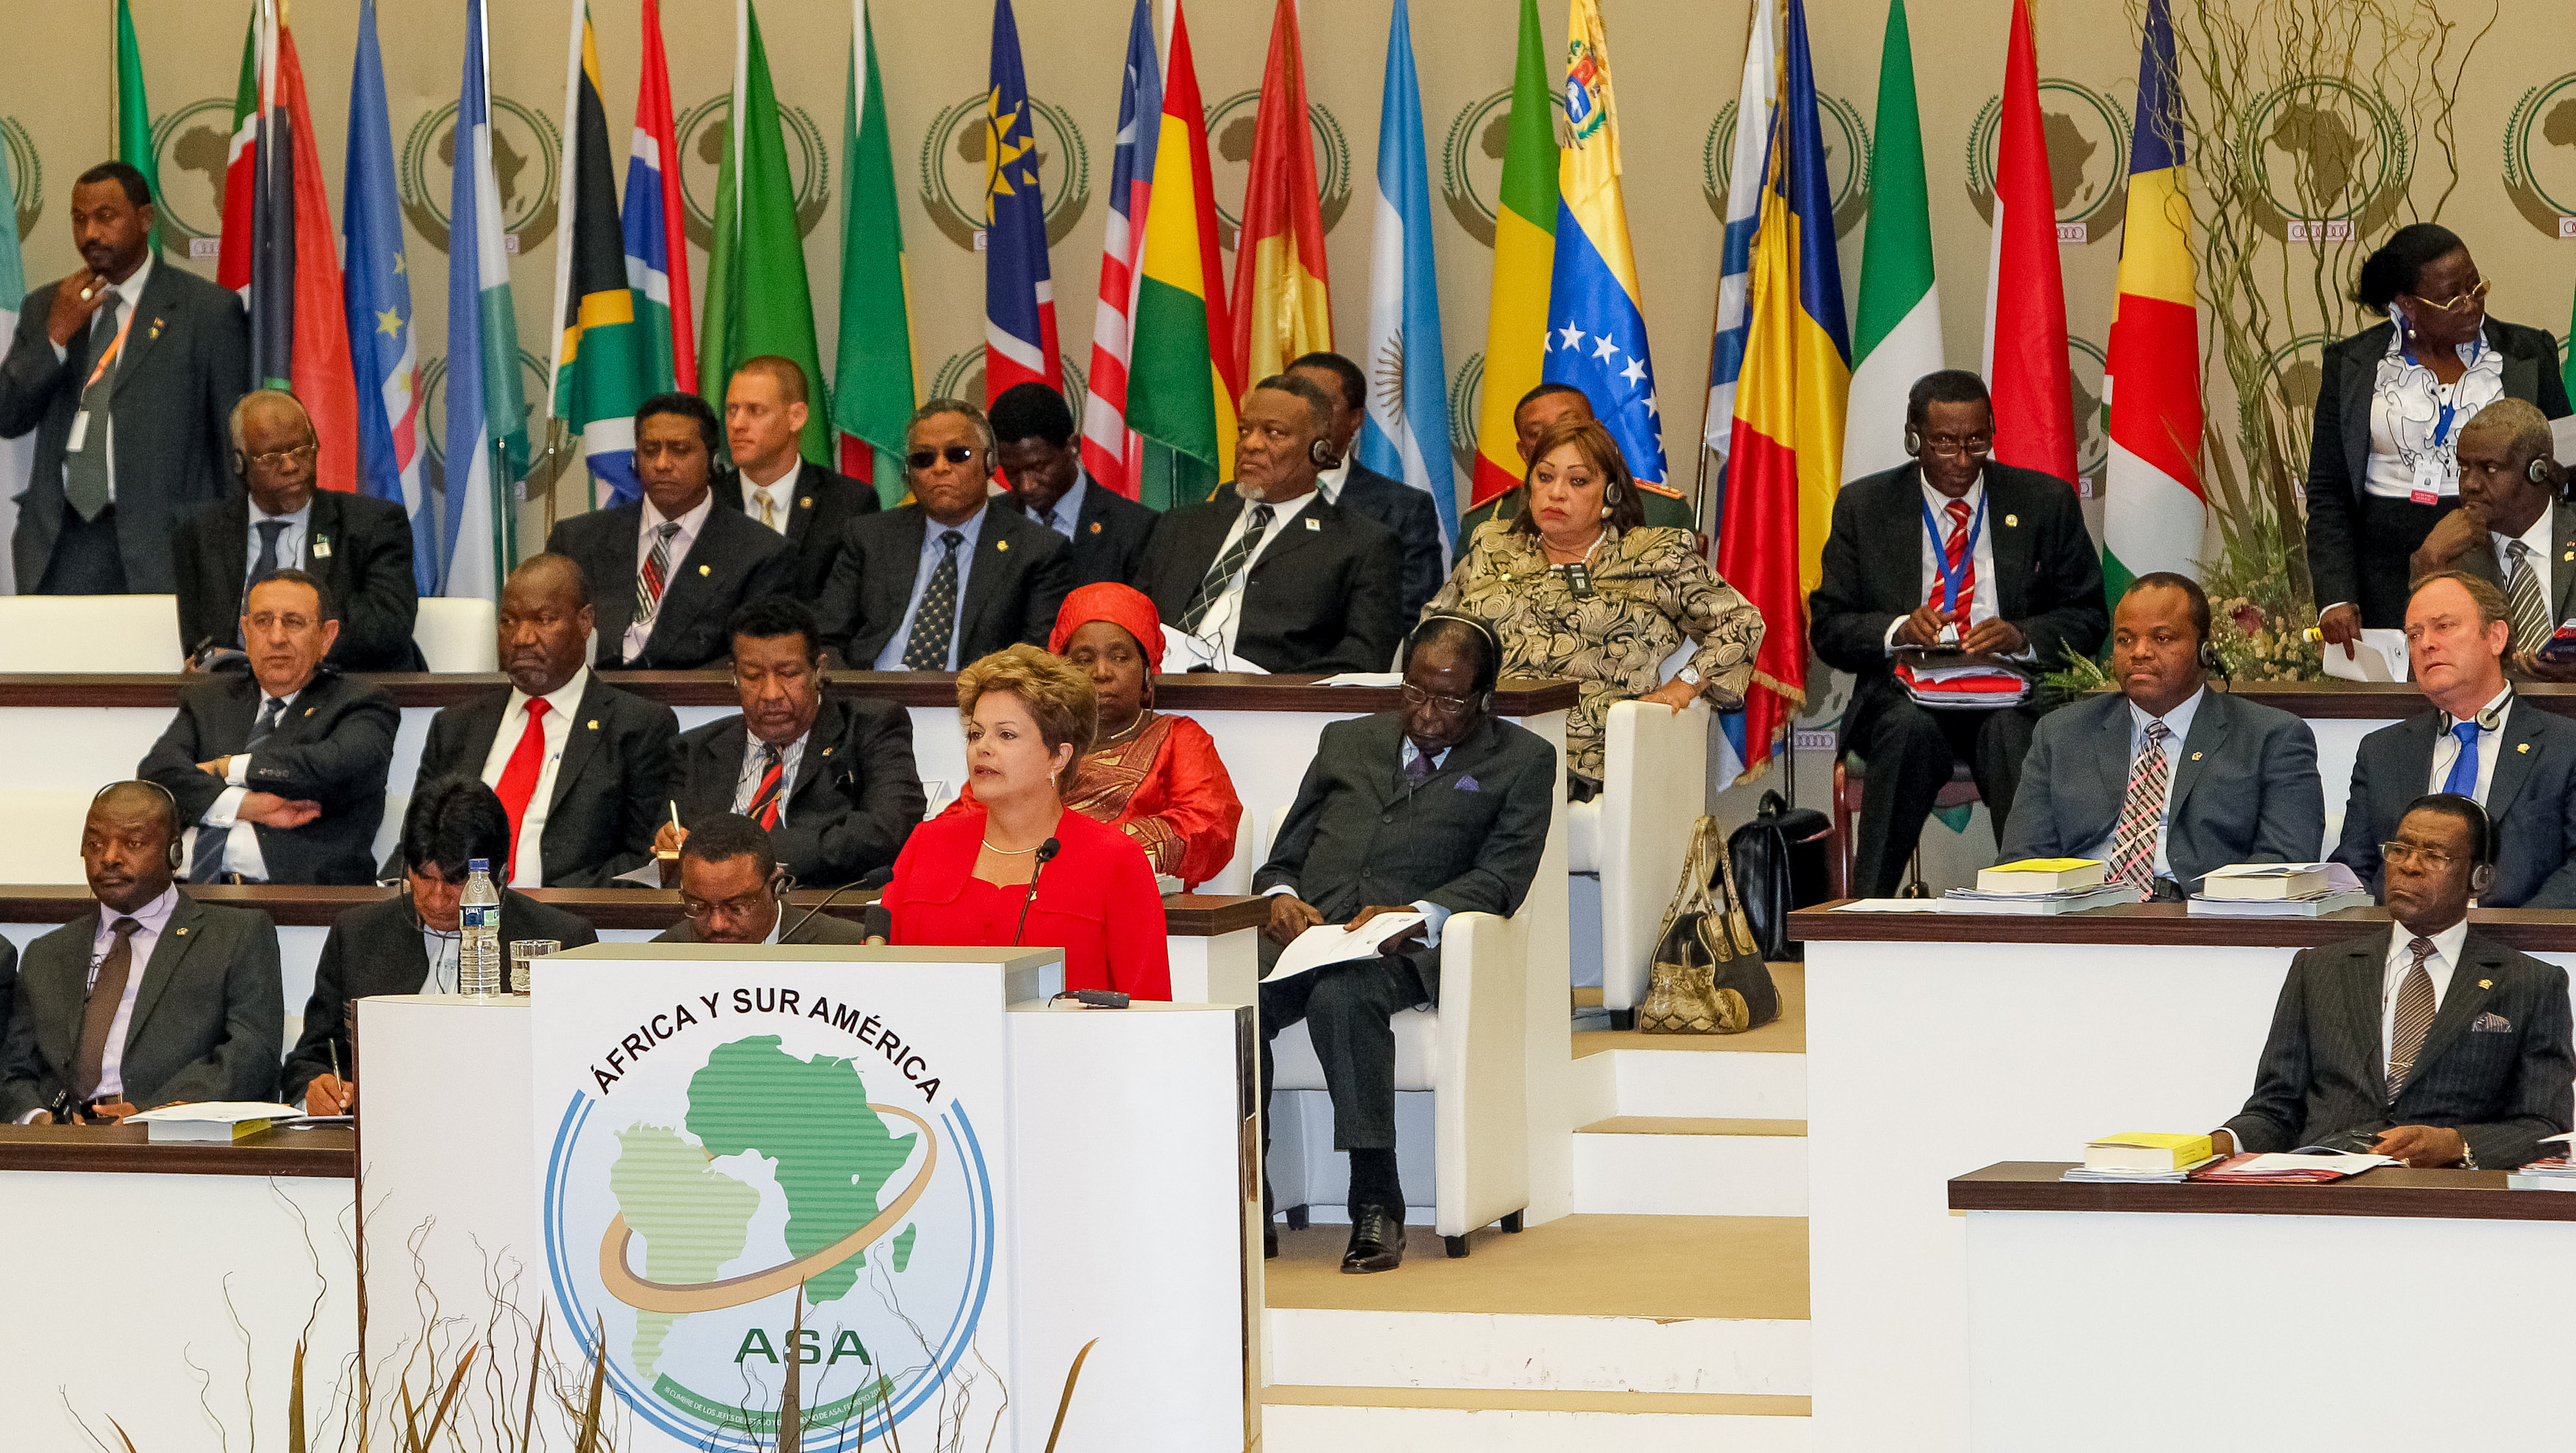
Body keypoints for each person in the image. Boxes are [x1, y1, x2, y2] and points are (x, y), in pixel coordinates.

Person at [1255, 617, 1556, 1272]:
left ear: (1485, 697)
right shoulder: (1346, 741)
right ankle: (1251, 1187)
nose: (1426, 715)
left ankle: (1376, 1198)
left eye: (1449, 700)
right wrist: (1280, 894)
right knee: (1227, 996)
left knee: (1343, 995)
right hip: (1310, 932)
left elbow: (1504, 878)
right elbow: (1285, 856)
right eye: (1414, 693)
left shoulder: (1523, 761)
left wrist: (1419, 915)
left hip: (1413, 950)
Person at [1809, 369, 2108, 898]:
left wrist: (2021, 636)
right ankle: (1865, 915)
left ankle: (2034, 906)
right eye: (1945, 443)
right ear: (1914, 438)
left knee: (2014, 735)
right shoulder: (1866, 506)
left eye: (1977, 441)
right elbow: (1830, 628)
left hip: (2009, 696)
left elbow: (2088, 616)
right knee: (1907, 732)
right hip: (1907, 697)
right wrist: (1900, 630)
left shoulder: (2044, 501)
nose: (1963, 459)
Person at [2213, 795, 2572, 1169]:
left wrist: (2457, 1144)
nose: (2409, 867)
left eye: (2434, 856)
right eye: (2399, 850)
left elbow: (2547, 1128)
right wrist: (2222, 1142)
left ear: (2479, 879)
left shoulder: (2531, 984)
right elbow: (2276, 1109)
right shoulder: (2318, 969)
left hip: (2449, 1194)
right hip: (2327, 1186)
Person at [1427, 416, 1763, 795]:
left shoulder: (1653, 556)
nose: (1556, 493)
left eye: (1578, 481)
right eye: (1544, 477)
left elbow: (1742, 621)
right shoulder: (1492, 546)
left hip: (1581, 758)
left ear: (1611, 495)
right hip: (1476, 743)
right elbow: (1434, 631)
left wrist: (1682, 686)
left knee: (1484, 795)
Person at [2307, 223, 2571, 641]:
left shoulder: (2527, 353)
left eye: (2476, 287)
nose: (2471, 305)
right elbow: (2328, 491)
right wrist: (2336, 594)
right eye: (2452, 297)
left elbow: (2564, 469)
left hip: (2499, 553)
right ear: (2408, 305)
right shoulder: (2352, 366)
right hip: (2385, 571)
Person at [0, 161, 248, 595]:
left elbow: (231, 451)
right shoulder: (47, 307)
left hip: (165, 548)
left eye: (106, 216)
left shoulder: (205, 311)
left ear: (145, 219)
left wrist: (226, 560)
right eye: (79, 219)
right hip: (60, 542)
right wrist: (55, 338)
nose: (90, 233)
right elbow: (8, 416)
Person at [1995, 574, 2324, 897]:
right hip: (2082, 916)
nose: (2139, 652)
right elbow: (2023, 861)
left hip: (2202, 923)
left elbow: (2283, 866)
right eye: (2125, 640)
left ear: (2204, 651)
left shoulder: (2273, 738)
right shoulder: (2062, 734)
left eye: (2161, 638)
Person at [283, 778, 599, 1112]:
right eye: (424, 877)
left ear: (501, 875)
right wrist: (315, 1091)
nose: (436, 899)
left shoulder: (564, 942)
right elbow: (309, 1060)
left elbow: (587, 1072)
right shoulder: (357, 934)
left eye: (455, 881)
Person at [882, 646, 1170, 998]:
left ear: (1058, 756)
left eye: (1006, 735)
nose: (982, 748)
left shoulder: (1115, 860)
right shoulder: (928, 844)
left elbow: (1148, 1006)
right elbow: (885, 982)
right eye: (976, 734)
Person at [0, 782, 282, 1123]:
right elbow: (14, 1072)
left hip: (176, 1148)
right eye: (95, 844)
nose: (109, 858)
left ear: (174, 854)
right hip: (63, 1147)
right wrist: (39, 1118)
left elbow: (251, 1056)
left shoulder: (237, 936)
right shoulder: (47, 953)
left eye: (132, 843)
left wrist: (152, 1114)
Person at [942, 583, 1243, 888]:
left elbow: (1210, 824)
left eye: (1119, 657)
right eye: (1084, 660)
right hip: (1015, 891)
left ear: (1147, 672)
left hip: (1128, 899)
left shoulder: (1178, 737)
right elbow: (964, 818)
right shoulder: (1034, 738)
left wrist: (1090, 850)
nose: (1101, 672)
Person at [406, 554, 679, 887]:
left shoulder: (638, 727)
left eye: (544, 619)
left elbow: (644, 859)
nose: (522, 638)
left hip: (571, 923)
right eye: (508, 621)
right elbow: (416, 843)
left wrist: (545, 908)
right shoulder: (455, 727)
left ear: (585, 622)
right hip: (458, 915)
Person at [2333, 570, 2576, 907]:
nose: (2426, 643)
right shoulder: (2382, 752)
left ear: (2495, 636)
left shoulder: (2565, 746)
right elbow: (2354, 871)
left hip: (2521, 946)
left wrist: (2510, 937)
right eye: (2414, 635)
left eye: (2443, 626)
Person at [138, 571, 398, 885]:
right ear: (246, 631)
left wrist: (228, 767)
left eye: (293, 622)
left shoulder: (360, 702)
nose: (276, 638)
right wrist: (244, 805)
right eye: (263, 621)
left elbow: (336, 766)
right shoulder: (211, 696)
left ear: (326, 637)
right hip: (182, 888)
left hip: (296, 900)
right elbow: (157, 775)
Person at [1139, 375, 1404, 674]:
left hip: (1272, 711)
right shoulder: (1180, 526)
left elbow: (1363, 660)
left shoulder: (1363, 545)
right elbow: (1132, 621)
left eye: (1275, 433)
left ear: (1319, 451)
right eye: (1244, 430)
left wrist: (1264, 694)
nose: (1250, 444)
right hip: (1158, 698)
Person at [660, 596, 926, 890]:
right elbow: (672, 846)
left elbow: (888, 829)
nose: (771, 693)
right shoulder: (693, 749)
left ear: (818, 670)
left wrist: (747, 856)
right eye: (752, 676)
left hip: (823, 912)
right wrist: (668, 845)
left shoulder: (871, 727)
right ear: (734, 676)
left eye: (788, 673)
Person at [814, 399, 1074, 670]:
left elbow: (1036, 661)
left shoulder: (1039, 550)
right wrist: (846, 696)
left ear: (990, 462)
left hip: (974, 702)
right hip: (874, 698)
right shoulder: (870, 537)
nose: (940, 468)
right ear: (909, 473)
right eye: (923, 459)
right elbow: (826, 637)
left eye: (957, 455)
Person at [171, 389, 420, 671]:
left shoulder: (373, 524)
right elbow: (200, 643)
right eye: (271, 457)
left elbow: (387, 625)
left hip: (346, 691)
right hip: (239, 698)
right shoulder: (200, 533)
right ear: (239, 463)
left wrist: (286, 656)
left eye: (301, 451)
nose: (291, 466)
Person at [545, 392, 794, 670]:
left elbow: (754, 657)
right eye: (650, 450)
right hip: (593, 698)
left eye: (680, 450)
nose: (662, 464)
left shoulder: (759, 552)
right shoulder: (578, 540)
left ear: (711, 459)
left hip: (697, 705)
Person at [2406, 397, 2576, 679]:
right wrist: (2431, 566)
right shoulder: (2446, 555)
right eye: (2464, 468)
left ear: (2538, 470)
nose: (2470, 484)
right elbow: (2427, 679)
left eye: (2490, 469)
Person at [1287, 352, 1447, 619]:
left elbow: (1411, 614)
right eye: (1294, 402)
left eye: (1321, 403)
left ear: (1356, 419)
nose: (1305, 414)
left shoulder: (1405, 509)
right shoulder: (1241, 496)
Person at [716, 356, 879, 599]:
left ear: (797, 417)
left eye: (755, 410)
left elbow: (848, 610)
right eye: (732, 410)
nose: (737, 424)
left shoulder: (849, 503)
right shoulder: (708, 501)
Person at [990, 381, 1156, 588]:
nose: (1026, 486)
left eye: (1039, 467)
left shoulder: (1134, 528)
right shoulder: (990, 521)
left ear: (1072, 447)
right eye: (1012, 471)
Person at [652, 813, 874, 945]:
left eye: (738, 906)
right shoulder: (658, 958)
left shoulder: (848, 948)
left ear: (776, 886)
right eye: (698, 905)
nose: (717, 924)